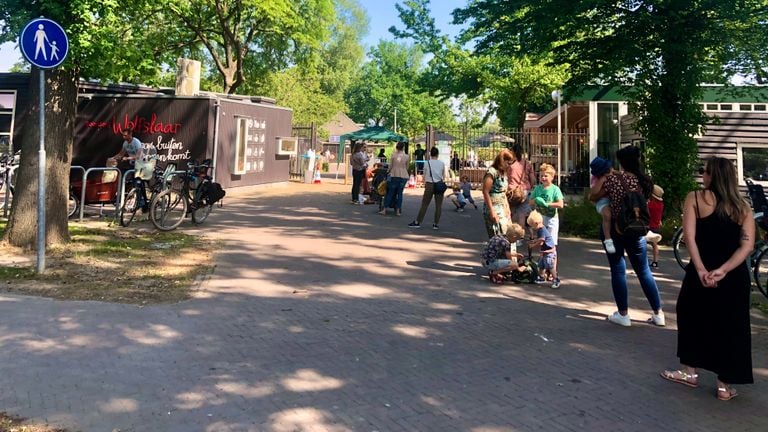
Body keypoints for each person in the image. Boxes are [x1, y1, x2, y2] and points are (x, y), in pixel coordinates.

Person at [661, 157, 754, 401]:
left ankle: (689, 372)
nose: (702, 175)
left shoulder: (695, 198)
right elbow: (747, 246)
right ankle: (725, 385)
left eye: (705, 172)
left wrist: (701, 269)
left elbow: (689, 237)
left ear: (713, 176)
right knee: (731, 326)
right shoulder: (743, 207)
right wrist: (724, 270)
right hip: (733, 277)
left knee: (692, 317)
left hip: (700, 271)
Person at [588, 145, 664, 327]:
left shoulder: (614, 179)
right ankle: (658, 313)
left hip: (615, 229)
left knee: (618, 269)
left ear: (621, 162)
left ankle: (623, 314)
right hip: (637, 229)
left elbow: (594, 196)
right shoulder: (645, 180)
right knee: (644, 271)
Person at [408, 146, 447, 230]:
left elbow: (424, 175)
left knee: (425, 204)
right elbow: (444, 176)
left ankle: (418, 221)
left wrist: (424, 181)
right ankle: (436, 223)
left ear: (430, 154)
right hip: (439, 184)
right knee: (438, 205)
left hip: (429, 184)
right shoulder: (442, 163)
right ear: (437, 154)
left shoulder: (427, 163)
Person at [482, 149, 515, 238]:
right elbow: (485, 191)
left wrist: (507, 208)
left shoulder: (503, 173)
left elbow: (503, 192)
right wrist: (492, 211)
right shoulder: (492, 172)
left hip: (503, 207)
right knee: (498, 235)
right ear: (502, 161)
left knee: (508, 234)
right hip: (494, 207)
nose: (509, 166)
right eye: (508, 163)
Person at [529, 163, 564, 245]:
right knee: (541, 240)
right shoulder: (537, 188)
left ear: (552, 177)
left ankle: (552, 257)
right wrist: (536, 200)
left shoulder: (555, 189)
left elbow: (560, 204)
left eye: (546, 176)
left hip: (552, 219)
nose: (543, 178)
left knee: (551, 242)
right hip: (539, 219)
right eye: (541, 176)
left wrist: (547, 204)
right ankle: (543, 257)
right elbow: (530, 202)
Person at [589, 156, 617, 254]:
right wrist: (602, 181)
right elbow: (594, 192)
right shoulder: (596, 179)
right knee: (607, 215)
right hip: (602, 201)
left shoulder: (613, 173)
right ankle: (608, 238)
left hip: (613, 199)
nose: (611, 170)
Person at [527, 210, 560, 289]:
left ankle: (556, 279)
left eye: (532, 226)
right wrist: (534, 240)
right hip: (544, 251)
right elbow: (540, 239)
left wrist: (533, 245)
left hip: (549, 252)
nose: (532, 227)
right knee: (541, 265)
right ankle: (542, 277)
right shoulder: (540, 229)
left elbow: (541, 241)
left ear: (536, 224)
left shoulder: (541, 230)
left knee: (549, 266)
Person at [507, 144, 537, 228]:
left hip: (512, 192)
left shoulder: (510, 164)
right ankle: (520, 237)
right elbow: (533, 180)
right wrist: (529, 187)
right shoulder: (527, 164)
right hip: (525, 191)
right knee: (522, 216)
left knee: (509, 214)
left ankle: (509, 235)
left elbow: (506, 178)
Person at [380, 141, 409, 216]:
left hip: (394, 175)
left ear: (396, 147)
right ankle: (398, 211)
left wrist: (387, 172)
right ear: (403, 147)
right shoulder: (406, 156)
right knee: (400, 194)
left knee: (390, 193)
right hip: (404, 176)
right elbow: (407, 167)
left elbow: (390, 166)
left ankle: (384, 209)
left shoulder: (393, 155)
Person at [646, 185, 664, 268]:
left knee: (643, 243)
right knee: (655, 245)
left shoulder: (650, 205)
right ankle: (655, 261)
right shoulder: (661, 205)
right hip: (656, 226)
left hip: (649, 226)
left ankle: (644, 260)